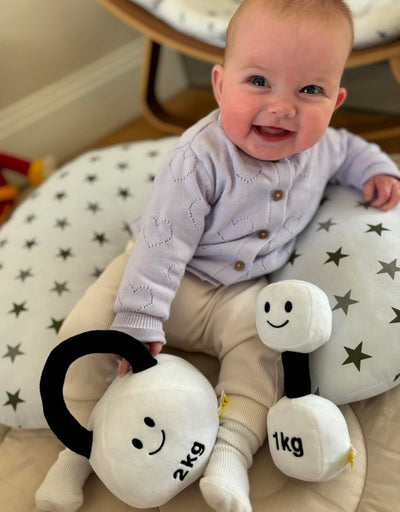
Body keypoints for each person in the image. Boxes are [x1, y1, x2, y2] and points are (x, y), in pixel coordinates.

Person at [36, 1, 400, 512]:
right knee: (88, 336)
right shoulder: (197, 160)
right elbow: (162, 245)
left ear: (336, 100)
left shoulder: (324, 147)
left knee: (262, 351)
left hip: (238, 292)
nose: (282, 107)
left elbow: (351, 148)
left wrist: (380, 172)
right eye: (258, 81)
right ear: (219, 84)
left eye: (310, 90)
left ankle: (231, 451)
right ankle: (73, 455)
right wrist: (138, 322)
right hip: (166, 274)